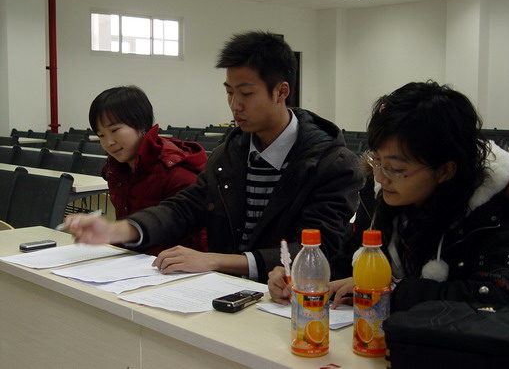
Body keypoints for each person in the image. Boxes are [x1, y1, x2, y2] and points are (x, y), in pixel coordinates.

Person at [66, 31, 364, 282]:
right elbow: (185, 208)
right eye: (229, 92)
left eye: (246, 94)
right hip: (225, 290)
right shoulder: (230, 153)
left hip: (292, 298)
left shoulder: (331, 164)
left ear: (281, 91)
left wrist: (215, 260)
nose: (235, 105)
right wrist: (115, 230)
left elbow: (315, 249)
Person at [269, 80, 509, 311]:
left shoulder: (495, 208)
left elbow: (496, 299)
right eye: (377, 161)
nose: (380, 178)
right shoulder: (381, 193)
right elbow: (348, 264)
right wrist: (306, 279)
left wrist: (388, 290)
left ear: (445, 170)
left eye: (396, 169)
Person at [89, 85, 208, 255]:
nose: (109, 142)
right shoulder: (116, 170)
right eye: (101, 135)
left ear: (141, 125)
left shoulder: (176, 172)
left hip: (170, 264)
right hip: (133, 259)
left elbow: (193, 241)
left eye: (115, 130)